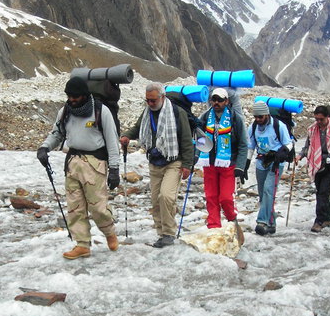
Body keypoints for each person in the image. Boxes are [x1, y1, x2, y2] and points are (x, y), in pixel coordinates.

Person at [37, 77, 120, 260]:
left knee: (98, 208)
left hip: (95, 164)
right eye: (69, 96)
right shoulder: (65, 111)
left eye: (75, 97)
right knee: (75, 207)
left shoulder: (101, 111)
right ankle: (82, 244)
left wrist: (114, 169)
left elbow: (113, 142)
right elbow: (57, 134)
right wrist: (44, 148)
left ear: (84, 95)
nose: (72, 100)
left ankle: (110, 233)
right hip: (73, 162)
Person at [120, 82, 193, 247]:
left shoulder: (177, 113)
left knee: (166, 196)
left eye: (153, 100)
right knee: (155, 200)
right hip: (154, 162)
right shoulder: (147, 113)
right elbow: (138, 128)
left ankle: (168, 233)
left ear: (162, 97)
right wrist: (126, 136)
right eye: (147, 100)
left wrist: (187, 164)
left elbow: (186, 140)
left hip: (174, 161)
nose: (150, 104)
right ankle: (161, 233)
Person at [195, 88, 248, 229]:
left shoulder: (235, 119)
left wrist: (240, 167)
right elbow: (199, 139)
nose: (216, 102)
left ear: (227, 101)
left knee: (225, 198)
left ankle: (231, 217)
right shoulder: (205, 117)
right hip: (209, 163)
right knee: (211, 197)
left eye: (220, 100)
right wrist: (195, 157)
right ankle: (213, 226)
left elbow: (243, 144)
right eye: (214, 99)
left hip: (229, 164)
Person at [295, 105, 330, 233]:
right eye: (316, 119)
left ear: (327, 117)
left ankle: (318, 221)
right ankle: (327, 218)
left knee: (323, 192)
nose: (318, 122)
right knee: (321, 191)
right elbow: (308, 145)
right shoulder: (312, 129)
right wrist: (300, 155)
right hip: (316, 164)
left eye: (321, 119)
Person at [247, 99, 293, 235]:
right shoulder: (253, 127)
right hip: (261, 161)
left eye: (260, 117)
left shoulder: (279, 126)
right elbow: (251, 146)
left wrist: (283, 151)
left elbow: (289, 143)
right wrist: (246, 164)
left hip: (276, 162)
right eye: (255, 116)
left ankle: (262, 222)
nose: (258, 119)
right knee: (263, 194)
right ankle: (272, 223)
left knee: (268, 190)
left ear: (267, 114)